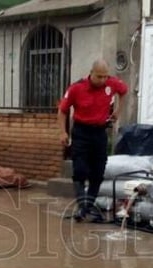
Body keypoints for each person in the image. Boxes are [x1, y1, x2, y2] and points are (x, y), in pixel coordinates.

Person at [58, 59, 128, 222]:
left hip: (100, 133)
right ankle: (83, 206)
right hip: (81, 133)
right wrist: (62, 132)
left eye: (105, 76)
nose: (103, 80)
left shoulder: (111, 84)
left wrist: (118, 109)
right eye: (99, 77)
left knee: (98, 173)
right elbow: (62, 110)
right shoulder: (77, 88)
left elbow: (124, 91)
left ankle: (85, 208)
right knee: (80, 171)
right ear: (91, 73)